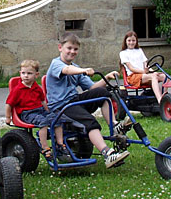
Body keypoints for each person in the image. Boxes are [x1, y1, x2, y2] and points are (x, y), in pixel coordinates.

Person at [45, 34, 127, 167]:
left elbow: (92, 88)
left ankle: (114, 125)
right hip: (61, 107)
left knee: (103, 93)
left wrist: (106, 78)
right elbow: (66, 70)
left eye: (75, 49)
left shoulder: (76, 68)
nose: (72, 51)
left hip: (74, 101)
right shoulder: (56, 64)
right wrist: (83, 70)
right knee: (90, 121)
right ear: (60, 48)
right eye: (69, 48)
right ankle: (107, 154)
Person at [4, 58, 49, 153]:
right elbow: (9, 104)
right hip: (27, 114)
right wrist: (8, 117)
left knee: (57, 118)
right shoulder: (17, 89)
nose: (26, 76)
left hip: (40, 110)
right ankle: (44, 146)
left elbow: (42, 101)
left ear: (36, 75)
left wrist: (48, 111)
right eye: (23, 73)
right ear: (20, 73)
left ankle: (60, 143)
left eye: (29, 73)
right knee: (43, 122)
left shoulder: (37, 88)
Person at [118, 31, 169, 107]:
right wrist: (144, 72)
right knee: (153, 76)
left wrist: (152, 71)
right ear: (125, 41)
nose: (131, 43)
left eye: (133, 40)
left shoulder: (139, 51)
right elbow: (131, 68)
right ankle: (160, 100)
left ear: (136, 41)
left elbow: (146, 65)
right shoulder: (123, 53)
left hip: (144, 75)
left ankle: (165, 96)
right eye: (129, 40)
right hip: (133, 76)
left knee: (165, 77)